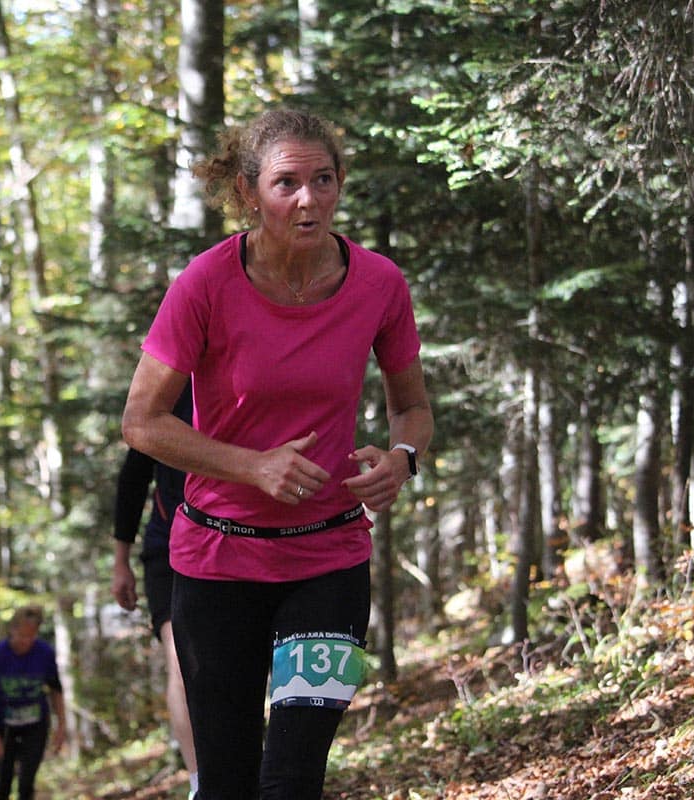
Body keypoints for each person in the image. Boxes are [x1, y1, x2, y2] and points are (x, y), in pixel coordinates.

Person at [121, 107, 434, 799]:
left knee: (293, 781)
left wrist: (401, 458)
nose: (307, 200)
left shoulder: (379, 283)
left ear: (341, 182)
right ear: (249, 190)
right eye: (286, 183)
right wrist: (253, 465)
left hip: (329, 561)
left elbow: (413, 408)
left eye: (323, 180)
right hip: (217, 563)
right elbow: (141, 423)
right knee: (228, 784)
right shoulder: (205, 283)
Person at [111, 381, 198, 797]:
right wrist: (120, 561)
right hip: (169, 548)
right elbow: (134, 476)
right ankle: (201, 783)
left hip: (238, 543)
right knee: (181, 660)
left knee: (235, 663)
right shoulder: (169, 387)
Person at [0, 605, 68, 800]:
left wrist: (61, 726)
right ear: (12, 630)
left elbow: (55, 690)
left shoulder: (44, 653)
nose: (25, 642)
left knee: (27, 782)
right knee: (3, 783)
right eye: (21, 636)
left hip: (35, 725)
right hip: (5, 726)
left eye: (31, 636)